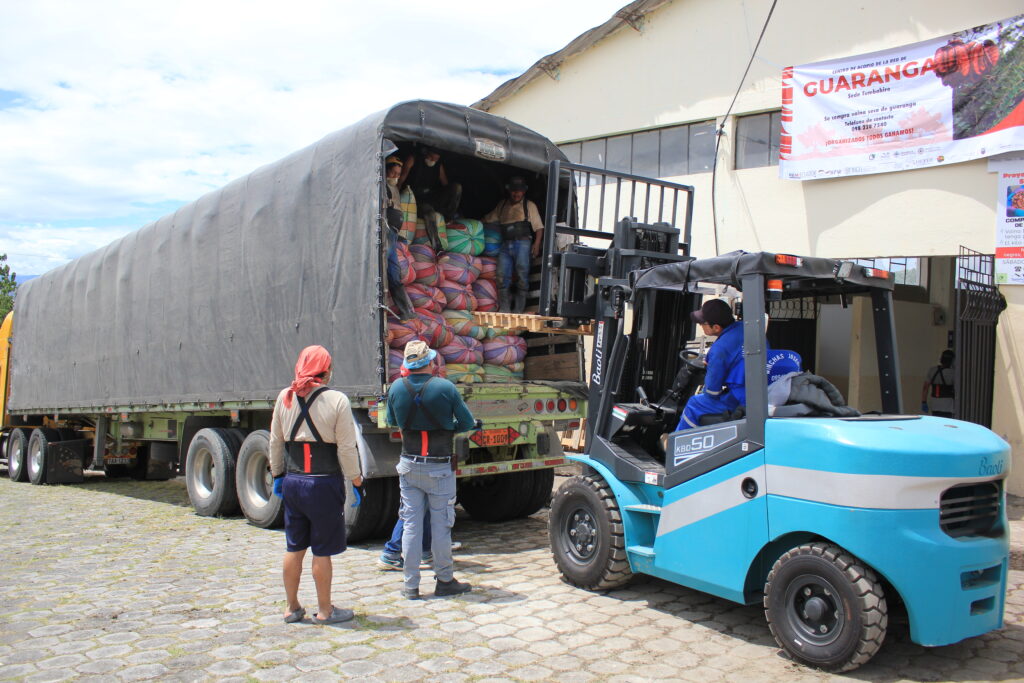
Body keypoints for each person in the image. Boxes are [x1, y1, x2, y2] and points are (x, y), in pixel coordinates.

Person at [269, 345, 364, 624]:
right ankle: (325, 611)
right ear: (327, 371)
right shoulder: (337, 400)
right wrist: (356, 480)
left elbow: (275, 442)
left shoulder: (284, 397)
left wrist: (277, 476)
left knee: (294, 546)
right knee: (322, 549)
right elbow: (347, 448)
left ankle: (292, 607)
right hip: (323, 482)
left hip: (293, 480)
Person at [386, 340, 476, 599]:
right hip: (439, 466)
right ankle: (444, 580)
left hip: (409, 465)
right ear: (430, 362)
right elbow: (466, 422)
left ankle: (410, 585)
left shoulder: (395, 388)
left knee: (411, 524)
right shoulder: (445, 388)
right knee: (441, 525)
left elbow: (392, 421)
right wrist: (447, 426)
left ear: (406, 364)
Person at [676, 299, 745, 430]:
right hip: (757, 393)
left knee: (694, 403)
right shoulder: (744, 328)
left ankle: (677, 443)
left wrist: (710, 368)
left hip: (739, 399)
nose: (700, 326)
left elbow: (712, 392)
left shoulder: (719, 350)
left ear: (716, 327)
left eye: (702, 323)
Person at [483, 176, 545, 313]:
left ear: (524, 192)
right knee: (501, 275)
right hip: (506, 245)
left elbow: (539, 227)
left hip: (523, 243)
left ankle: (518, 310)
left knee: (522, 275)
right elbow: (488, 219)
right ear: (509, 191)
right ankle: (505, 309)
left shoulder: (529, 205)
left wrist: (536, 243)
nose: (516, 194)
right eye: (514, 191)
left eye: (519, 191)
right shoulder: (502, 205)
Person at [399, 146, 462, 251]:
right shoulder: (413, 159)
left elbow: (445, 184)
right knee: (429, 213)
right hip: (415, 198)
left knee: (457, 187)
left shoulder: (438, 165)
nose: (433, 161)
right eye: (431, 158)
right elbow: (401, 178)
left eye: (436, 159)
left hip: (431, 196)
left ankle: (448, 218)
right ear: (425, 153)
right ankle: (437, 246)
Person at [384, 155, 415, 319]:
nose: (396, 176)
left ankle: (406, 312)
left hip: (394, 234)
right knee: (384, 263)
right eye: (393, 173)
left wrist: (408, 167)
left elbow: (402, 178)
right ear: (386, 171)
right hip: (387, 231)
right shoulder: (382, 186)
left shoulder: (395, 187)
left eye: (398, 173)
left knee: (394, 272)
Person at [921, 349, 955, 417]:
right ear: (951, 361)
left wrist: (924, 402)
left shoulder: (932, 370)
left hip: (934, 403)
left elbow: (925, 388)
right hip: (948, 405)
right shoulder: (953, 373)